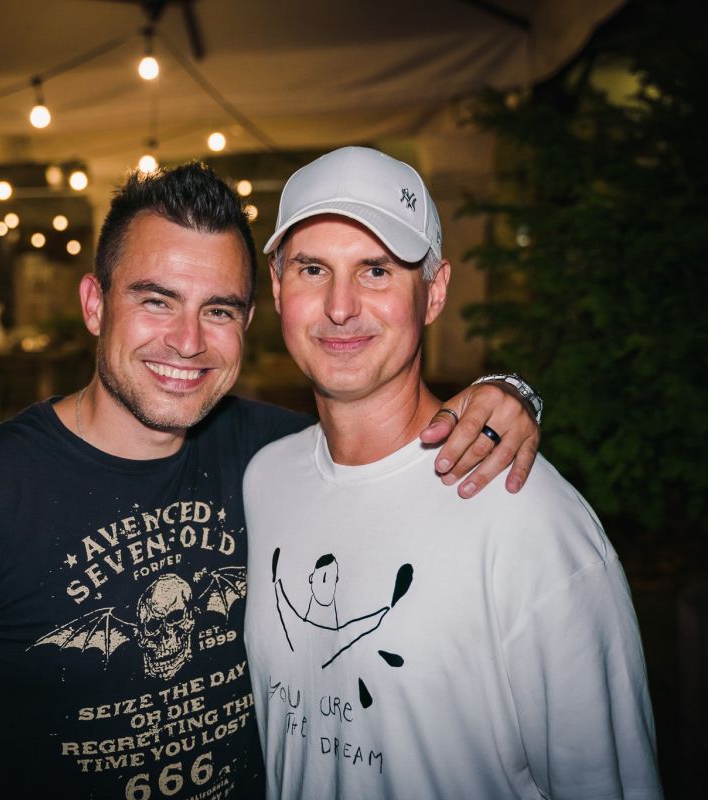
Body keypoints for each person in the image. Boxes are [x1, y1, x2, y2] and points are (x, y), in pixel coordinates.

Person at [0, 163, 541, 799]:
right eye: (157, 301)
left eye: (218, 310)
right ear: (95, 304)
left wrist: (507, 395)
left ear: (248, 322)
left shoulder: (276, 458)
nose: (188, 342)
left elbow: (391, 436)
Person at [243, 147, 661, 799]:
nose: (340, 306)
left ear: (434, 292)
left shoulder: (526, 513)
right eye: (313, 268)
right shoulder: (265, 479)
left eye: (376, 270)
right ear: (276, 289)